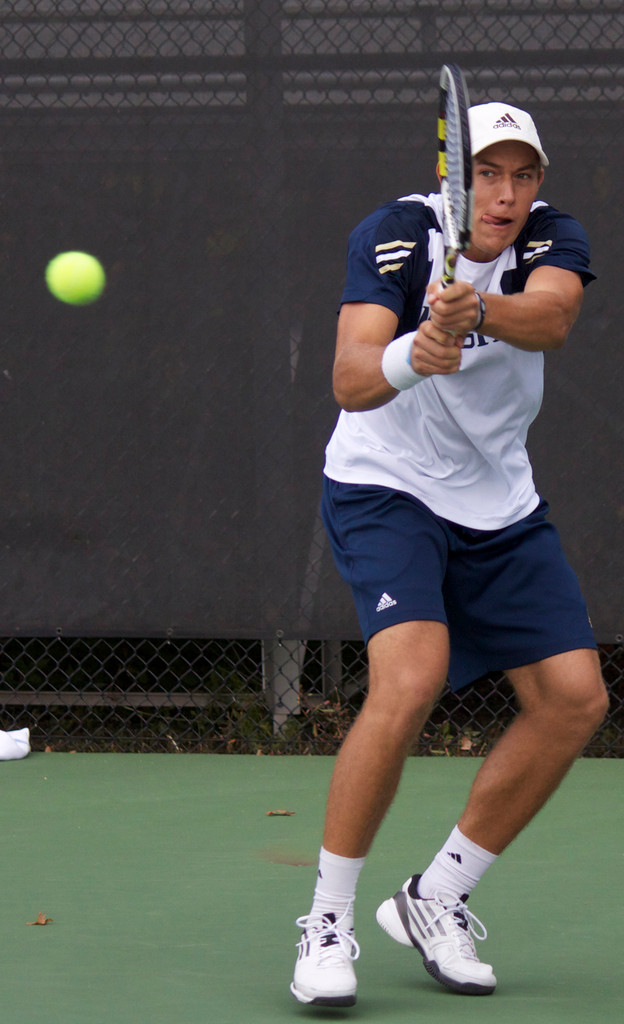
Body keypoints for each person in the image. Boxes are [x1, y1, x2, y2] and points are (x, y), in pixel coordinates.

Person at [290, 101, 609, 1008]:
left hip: (497, 502)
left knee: (574, 699)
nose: (505, 195)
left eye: (524, 175)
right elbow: (353, 376)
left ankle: (437, 897)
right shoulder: (395, 235)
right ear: (453, 176)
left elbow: (550, 319)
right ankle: (326, 922)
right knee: (410, 675)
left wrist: (481, 312)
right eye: (488, 174)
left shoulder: (553, 238)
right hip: (386, 484)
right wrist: (413, 352)